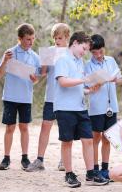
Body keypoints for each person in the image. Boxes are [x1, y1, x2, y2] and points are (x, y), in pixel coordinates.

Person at [54, 31, 109, 188]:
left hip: (80, 107)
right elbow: (63, 82)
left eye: (86, 50)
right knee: (67, 141)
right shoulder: (63, 59)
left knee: (88, 140)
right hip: (65, 108)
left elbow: (79, 87)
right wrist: (83, 80)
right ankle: (69, 174)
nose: (85, 53)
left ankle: (91, 174)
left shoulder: (79, 62)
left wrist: (90, 90)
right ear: (75, 43)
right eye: (83, 49)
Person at [84, 34, 122, 179]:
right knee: (95, 137)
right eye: (94, 53)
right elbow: (86, 86)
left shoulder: (111, 61)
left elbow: (117, 80)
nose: (98, 55)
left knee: (107, 137)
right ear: (90, 52)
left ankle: (104, 169)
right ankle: (94, 169)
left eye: (100, 51)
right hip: (96, 107)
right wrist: (98, 83)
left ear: (104, 48)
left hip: (111, 107)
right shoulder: (87, 65)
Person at [26, 23, 70, 172]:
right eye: (55, 38)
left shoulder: (72, 53)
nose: (57, 41)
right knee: (45, 126)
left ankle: (64, 161)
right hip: (51, 97)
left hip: (66, 98)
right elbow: (43, 73)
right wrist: (40, 70)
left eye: (60, 38)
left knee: (65, 130)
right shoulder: (50, 51)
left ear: (67, 37)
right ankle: (40, 160)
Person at [0, 23, 41, 170]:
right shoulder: (9, 53)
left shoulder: (35, 56)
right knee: (10, 127)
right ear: (20, 39)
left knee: (24, 127)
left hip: (25, 98)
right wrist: (4, 61)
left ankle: (25, 158)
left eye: (33, 39)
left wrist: (35, 79)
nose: (31, 42)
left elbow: (37, 76)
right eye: (28, 39)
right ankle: (6, 158)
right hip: (10, 96)